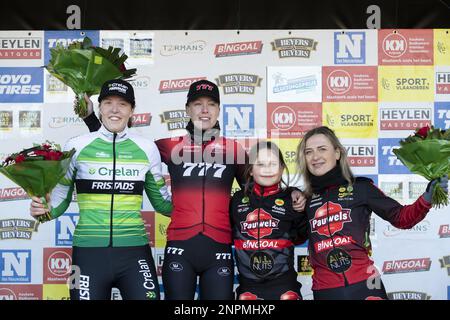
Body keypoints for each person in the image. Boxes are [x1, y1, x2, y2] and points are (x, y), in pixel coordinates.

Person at [83, 79, 306, 300]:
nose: (204, 110)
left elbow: (261, 185)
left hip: (218, 246)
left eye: (211, 104)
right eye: (198, 104)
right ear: (188, 109)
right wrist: (91, 119)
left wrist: (293, 191)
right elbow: (127, 148)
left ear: (219, 110)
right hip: (180, 246)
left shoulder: (233, 149)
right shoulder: (169, 145)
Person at [30, 79, 172, 300]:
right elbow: (59, 201)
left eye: (123, 104)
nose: (115, 109)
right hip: (87, 254)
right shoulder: (76, 146)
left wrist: (203, 199)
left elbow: (163, 203)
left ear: (132, 110)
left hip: (134, 251)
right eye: (108, 103)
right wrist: (43, 210)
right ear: (100, 108)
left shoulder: (147, 149)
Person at [295, 126, 448, 300]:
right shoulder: (304, 200)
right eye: (309, 152)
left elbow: (402, 219)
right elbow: (292, 235)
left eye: (322, 149)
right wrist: (291, 197)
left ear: (337, 153)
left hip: (366, 285)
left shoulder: (361, 188)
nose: (315, 157)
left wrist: (427, 197)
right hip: (325, 291)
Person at [230, 141, 308, 300]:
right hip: (247, 288)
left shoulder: (292, 199)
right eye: (260, 164)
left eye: (273, 164)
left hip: (285, 287)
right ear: (251, 170)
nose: (267, 169)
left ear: (282, 168)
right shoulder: (237, 200)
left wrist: (295, 194)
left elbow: (302, 235)